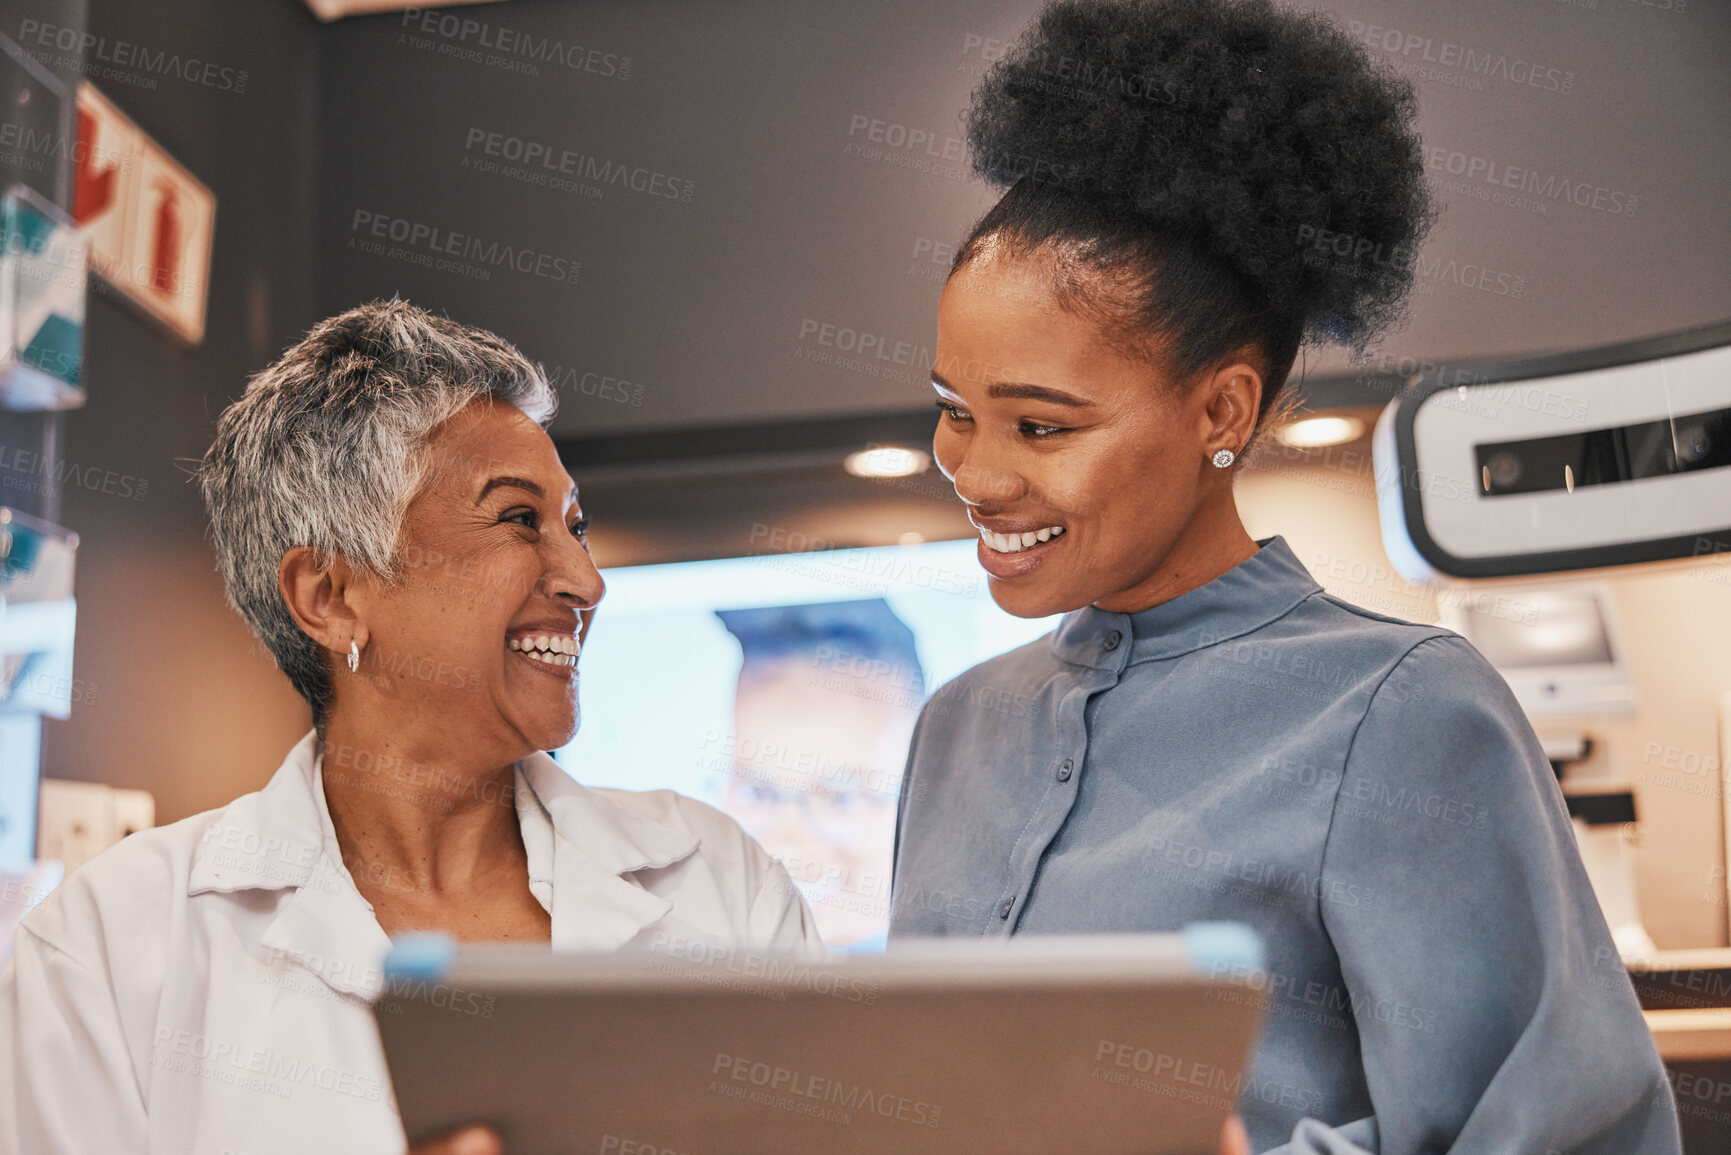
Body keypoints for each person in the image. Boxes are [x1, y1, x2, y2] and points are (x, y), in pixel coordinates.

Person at [887, 2, 1680, 1153]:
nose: (976, 471)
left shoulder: (1401, 707)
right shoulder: (956, 731)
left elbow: (1572, 1134)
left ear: (1223, 410)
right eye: (956, 412)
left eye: (1043, 429)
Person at [0, 301, 822, 1155]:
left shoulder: (722, 888)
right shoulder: (110, 944)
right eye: (517, 519)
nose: (584, 578)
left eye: (574, 526)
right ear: (332, 595)